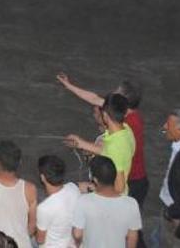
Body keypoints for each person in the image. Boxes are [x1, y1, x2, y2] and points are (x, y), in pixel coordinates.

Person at [57, 74, 148, 207]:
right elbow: (94, 99)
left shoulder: (127, 129)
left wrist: (93, 189)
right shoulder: (122, 122)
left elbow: (119, 187)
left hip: (131, 180)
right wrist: (69, 85)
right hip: (122, 176)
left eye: (116, 92)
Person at [64, 93, 135, 195]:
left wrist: (91, 188)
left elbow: (119, 188)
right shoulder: (126, 130)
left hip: (109, 202)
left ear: (105, 115)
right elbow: (107, 151)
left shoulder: (115, 147)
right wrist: (81, 143)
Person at [72, 155, 141, 248]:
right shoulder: (131, 204)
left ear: (95, 180)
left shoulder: (84, 201)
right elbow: (132, 237)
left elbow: (77, 234)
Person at [158, 109, 180, 247]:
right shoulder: (179, 145)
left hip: (176, 217)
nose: (164, 127)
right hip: (168, 207)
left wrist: (173, 213)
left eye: (168, 125)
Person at [35, 155, 79, 248]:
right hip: (72, 243)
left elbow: (40, 239)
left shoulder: (44, 208)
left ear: (43, 177)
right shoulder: (73, 188)